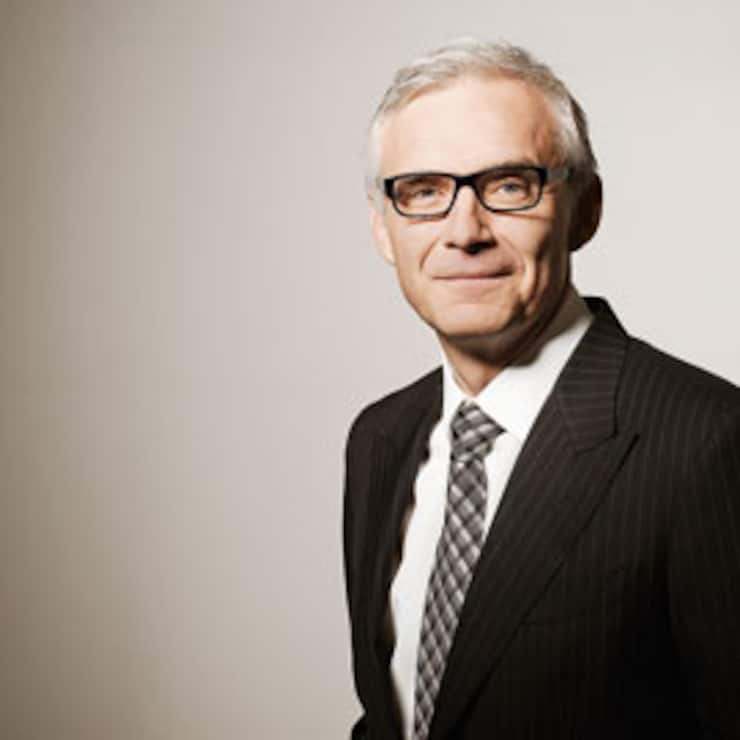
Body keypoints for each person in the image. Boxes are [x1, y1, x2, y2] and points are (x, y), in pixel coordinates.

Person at [342, 38, 740, 740]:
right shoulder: (380, 438)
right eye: (423, 192)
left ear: (585, 209)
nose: (464, 231)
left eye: (508, 185)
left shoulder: (707, 442)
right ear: (382, 226)